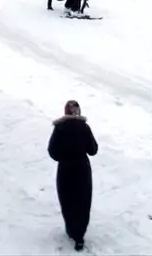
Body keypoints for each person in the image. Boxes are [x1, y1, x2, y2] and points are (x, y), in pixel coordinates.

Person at [48, 100, 97, 252]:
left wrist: (63, 157)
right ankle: (80, 235)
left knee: (67, 200)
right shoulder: (85, 127)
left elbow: (52, 151)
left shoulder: (59, 128)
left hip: (65, 169)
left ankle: (71, 229)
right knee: (83, 200)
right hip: (82, 168)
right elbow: (93, 149)